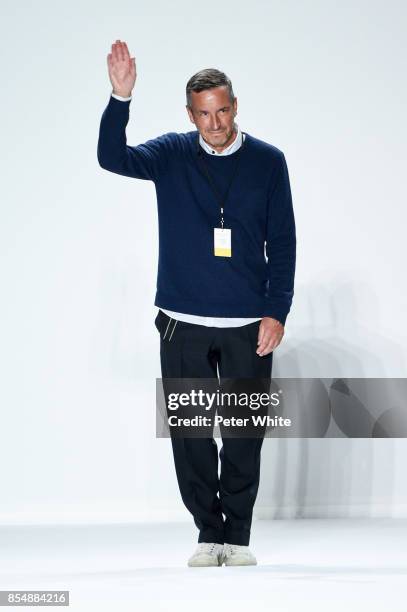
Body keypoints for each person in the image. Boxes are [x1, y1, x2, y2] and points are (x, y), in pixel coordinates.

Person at [97, 40, 296, 567]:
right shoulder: (170, 153)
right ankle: (209, 533)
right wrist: (120, 98)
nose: (215, 122)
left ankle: (239, 536)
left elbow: (285, 239)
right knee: (189, 436)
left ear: (235, 107)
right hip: (181, 323)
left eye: (223, 110)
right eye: (204, 113)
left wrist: (277, 310)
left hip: (248, 322)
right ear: (191, 114)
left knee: (243, 434)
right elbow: (112, 158)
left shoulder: (268, 162)